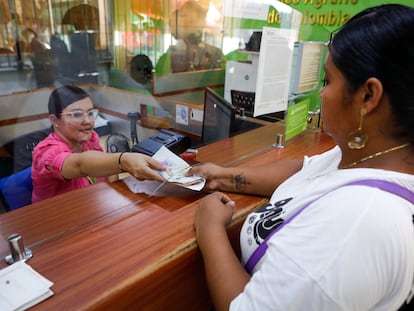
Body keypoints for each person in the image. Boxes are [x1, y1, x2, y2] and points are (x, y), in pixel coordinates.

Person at [189, 4, 414, 311]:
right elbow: (308, 172)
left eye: (327, 81)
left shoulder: (356, 226)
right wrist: (223, 176)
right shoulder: (368, 155)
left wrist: (210, 229)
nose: (321, 94)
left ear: (368, 97)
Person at [32, 85, 166, 203]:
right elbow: (80, 165)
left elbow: (108, 173)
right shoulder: (45, 152)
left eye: (90, 113)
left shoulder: (89, 140)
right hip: (58, 221)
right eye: (76, 114)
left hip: (91, 210)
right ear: (55, 120)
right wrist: (123, 160)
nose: (88, 121)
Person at [155, 0, 224, 75]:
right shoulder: (167, 58)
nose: (186, 24)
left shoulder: (215, 54)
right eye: (183, 17)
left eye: (191, 20)